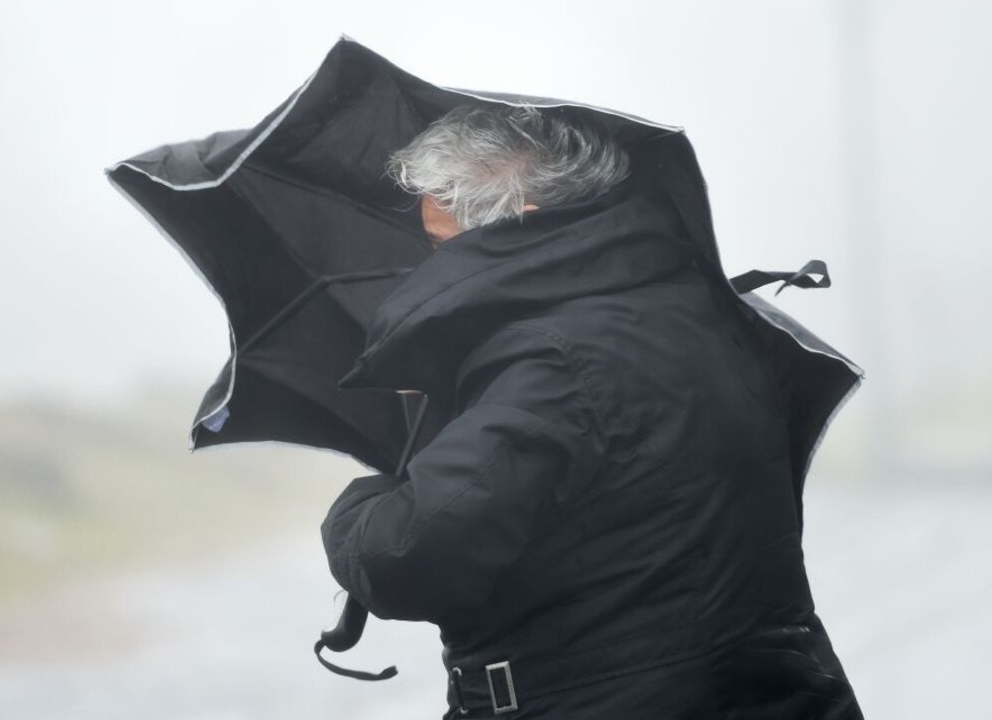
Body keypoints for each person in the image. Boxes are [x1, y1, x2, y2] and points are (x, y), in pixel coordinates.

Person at [321, 103, 864, 719]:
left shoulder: (554, 361)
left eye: (443, 245)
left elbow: (405, 557)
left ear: (516, 225)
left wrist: (360, 505)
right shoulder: (705, 311)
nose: (434, 267)